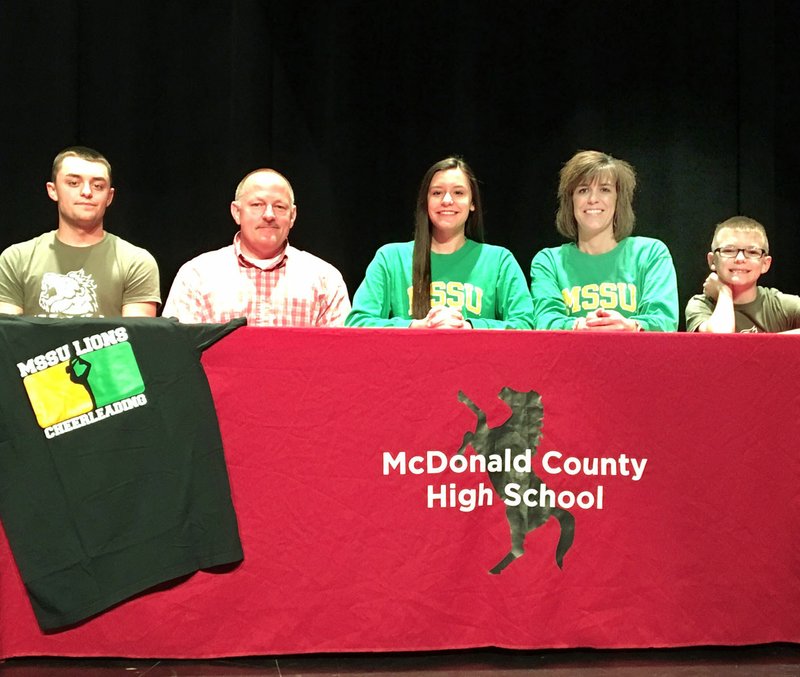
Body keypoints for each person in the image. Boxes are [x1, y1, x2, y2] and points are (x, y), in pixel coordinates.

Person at [345, 156, 534, 329]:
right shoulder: (390, 258)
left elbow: (525, 324)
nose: (447, 200)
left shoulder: (499, 261)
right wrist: (418, 326)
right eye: (437, 193)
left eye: (458, 192)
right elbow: (358, 322)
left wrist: (468, 326)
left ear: (472, 203)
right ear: (425, 202)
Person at [162, 168, 350, 326]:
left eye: (279, 207)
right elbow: (176, 352)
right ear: (236, 212)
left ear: (292, 216)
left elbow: (341, 355)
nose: (269, 215)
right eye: (257, 204)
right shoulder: (197, 276)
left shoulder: (325, 279)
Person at [0, 146, 160, 318]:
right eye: (73, 183)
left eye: (98, 186)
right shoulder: (16, 259)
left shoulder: (136, 262)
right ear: (53, 190)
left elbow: (137, 339)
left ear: (109, 196)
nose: (86, 192)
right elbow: (8, 337)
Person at [530, 150, 678, 331]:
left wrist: (629, 326)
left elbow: (664, 321)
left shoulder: (651, 253)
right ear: (571, 201)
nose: (593, 199)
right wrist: (580, 325)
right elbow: (545, 322)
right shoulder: (549, 262)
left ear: (618, 199)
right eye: (583, 190)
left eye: (605, 190)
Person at [685, 216, 800, 333]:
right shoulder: (700, 305)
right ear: (712, 261)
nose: (740, 259)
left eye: (752, 252)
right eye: (729, 250)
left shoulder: (780, 305)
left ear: (765, 263)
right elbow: (720, 338)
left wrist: (770, 342)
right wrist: (724, 292)